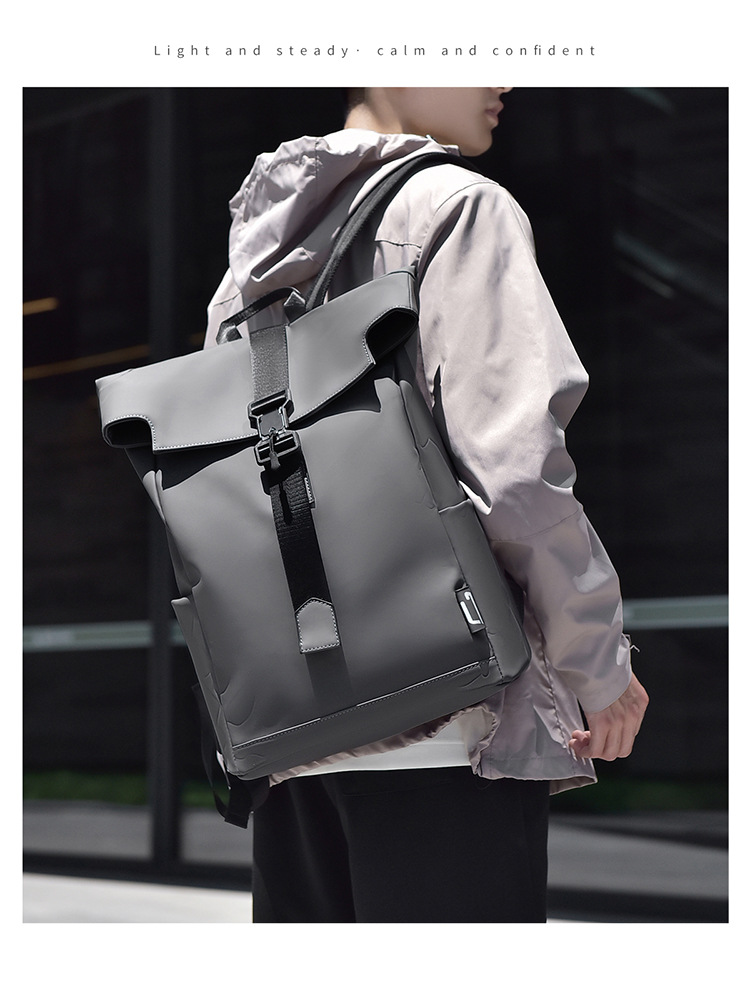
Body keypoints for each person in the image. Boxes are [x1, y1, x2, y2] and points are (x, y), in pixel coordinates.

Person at [204, 87, 649, 922]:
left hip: (296, 740)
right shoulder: (458, 208)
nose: (505, 74)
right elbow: (514, 476)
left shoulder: (249, 268)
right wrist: (599, 666)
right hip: (451, 727)